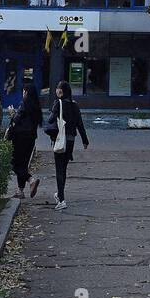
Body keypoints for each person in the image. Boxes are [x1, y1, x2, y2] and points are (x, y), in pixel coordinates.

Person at [44, 80, 88, 210]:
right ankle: (60, 194)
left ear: (62, 91)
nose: (57, 90)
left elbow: (50, 120)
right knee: (63, 169)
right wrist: (85, 140)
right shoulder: (74, 105)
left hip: (60, 140)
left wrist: (54, 109)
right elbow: (80, 124)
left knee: (59, 169)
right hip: (71, 141)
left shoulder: (58, 103)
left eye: (58, 88)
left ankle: (62, 199)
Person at [6, 82, 42, 198]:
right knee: (23, 164)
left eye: (23, 91)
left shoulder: (24, 104)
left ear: (26, 92)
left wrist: (12, 113)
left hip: (20, 137)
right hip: (31, 139)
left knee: (14, 163)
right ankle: (20, 191)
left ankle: (31, 180)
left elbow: (16, 119)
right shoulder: (36, 106)